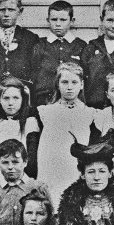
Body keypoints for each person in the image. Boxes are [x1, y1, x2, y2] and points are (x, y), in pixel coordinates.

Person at [35, 62, 95, 202]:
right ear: (57, 84)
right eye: (64, 82)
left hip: (75, 168)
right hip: (52, 168)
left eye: (74, 82)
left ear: (81, 84)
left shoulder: (90, 113)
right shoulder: (46, 112)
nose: (69, 87)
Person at [0, 76, 40, 188]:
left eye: (16, 98)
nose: (11, 103)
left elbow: (32, 160)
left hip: (22, 181)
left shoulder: (30, 123)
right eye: (6, 98)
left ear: (23, 99)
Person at [0, 139, 51, 225]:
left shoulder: (39, 188)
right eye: (5, 162)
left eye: (15, 162)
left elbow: (50, 220)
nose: (10, 167)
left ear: (25, 162)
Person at [29, 0, 86, 107]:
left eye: (63, 20)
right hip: (44, 100)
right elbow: (33, 75)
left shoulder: (80, 46)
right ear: (48, 20)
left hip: (72, 101)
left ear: (72, 21)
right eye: (54, 20)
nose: (58, 24)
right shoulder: (39, 45)